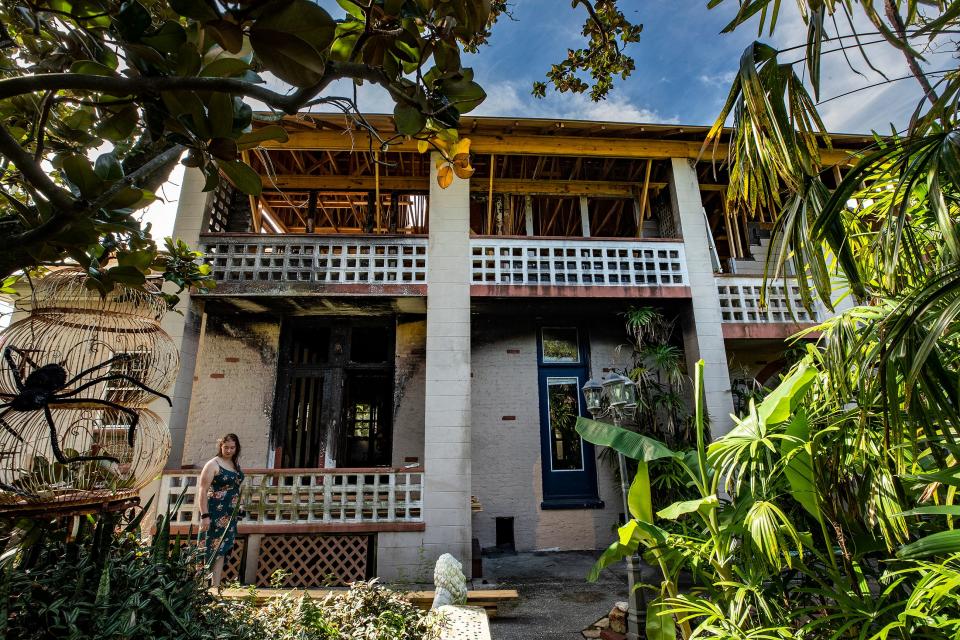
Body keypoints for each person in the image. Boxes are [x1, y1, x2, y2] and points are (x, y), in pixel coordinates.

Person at [197, 433, 245, 587]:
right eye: (226, 447)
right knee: (208, 547)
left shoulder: (234, 465)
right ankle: (202, 586)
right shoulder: (213, 464)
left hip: (229, 514)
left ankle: (215, 586)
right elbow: (203, 491)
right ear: (220, 446)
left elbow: (236, 488)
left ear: (236, 448)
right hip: (213, 512)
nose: (229, 450)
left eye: (232, 447)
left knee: (222, 549)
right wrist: (204, 515)